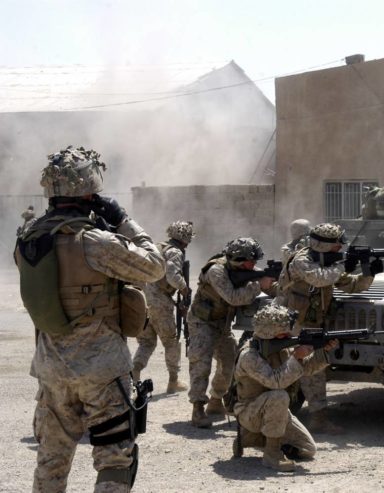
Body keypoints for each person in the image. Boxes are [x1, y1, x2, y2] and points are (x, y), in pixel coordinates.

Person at [15, 145, 165, 492]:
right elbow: (155, 267)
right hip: (102, 371)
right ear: (88, 188)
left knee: (51, 463)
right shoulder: (95, 241)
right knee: (115, 461)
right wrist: (124, 220)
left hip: (51, 371)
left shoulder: (28, 240)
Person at [277, 223, 378, 433]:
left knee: (316, 369)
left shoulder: (329, 264)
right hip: (290, 323)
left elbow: (353, 285)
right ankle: (273, 416)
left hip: (312, 323)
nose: (340, 248)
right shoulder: (300, 260)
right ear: (324, 246)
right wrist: (344, 264)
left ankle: (317, 419)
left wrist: (368, 270)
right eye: (337, 245)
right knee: (293, 368)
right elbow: (319, 278)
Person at [232, 305, 338, 471]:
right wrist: (296, 356)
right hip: (250, 413)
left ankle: (252, 439)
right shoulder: (249, 356)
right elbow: (276, 382)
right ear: (269, 333)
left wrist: (322, 352)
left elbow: (307, 368)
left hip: (276, 412)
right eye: (283, 333)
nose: (289, 335)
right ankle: (272, 454)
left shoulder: (281, 348)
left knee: (307, 450)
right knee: (279, 395)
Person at [187, 237, 277, 428]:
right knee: (201, 364)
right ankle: (197, 409)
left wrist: (278, 287)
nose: (254, 266)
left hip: (222, 324)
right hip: (202, 322)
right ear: (238, 259)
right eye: (251, 262)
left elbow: (269, 288)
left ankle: (215, 400)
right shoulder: (216, 271)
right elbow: (233, 297)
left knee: (229, 365)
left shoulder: (245, 271)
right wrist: (258, 285)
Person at [132, 220, 194, 393]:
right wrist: (184, 288)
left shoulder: (156, 247)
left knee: (146, 342)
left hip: (142, 299)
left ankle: (135, 372)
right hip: (160, 301)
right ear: (186, 239)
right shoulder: (174, 252)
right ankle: (173, 381)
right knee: (170, 341)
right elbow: (172, 276)